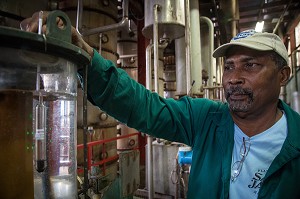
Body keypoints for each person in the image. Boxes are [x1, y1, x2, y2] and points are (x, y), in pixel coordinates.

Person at [22, 11, 300, 199]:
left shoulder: (295, 144)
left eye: (250, 65)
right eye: (228, 67)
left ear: (283, 75)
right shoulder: (206, 118)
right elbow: (144, 107)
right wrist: (88, 58)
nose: (234, 79)